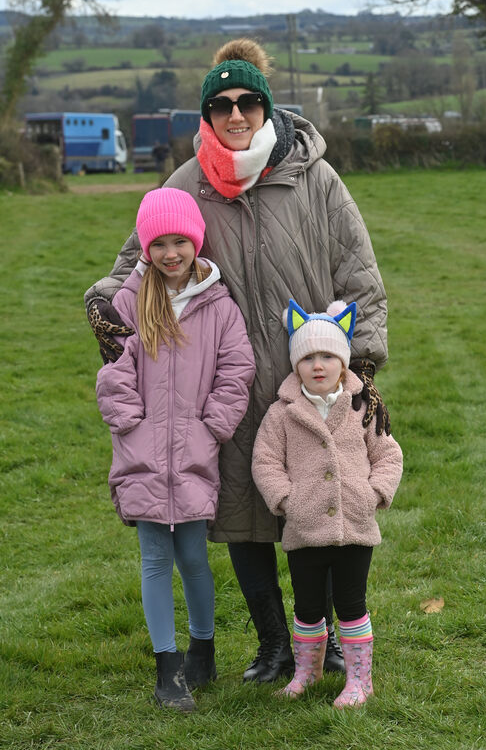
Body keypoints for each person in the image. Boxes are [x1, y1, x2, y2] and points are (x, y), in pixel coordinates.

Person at [85, 37, 391, 684]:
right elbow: (131, 265)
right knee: (244, 521)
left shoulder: (315, 177)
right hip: (221, 387)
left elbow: (359, 273)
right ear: (206, 114)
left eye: (248, 102)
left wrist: (361, 366)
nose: (235, 115)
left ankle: (327, 641)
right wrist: (107, 309)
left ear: (266, 107)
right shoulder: (187, 185)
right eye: (221, 104)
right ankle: (275, 644)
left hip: (309, 383)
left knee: (317, 512)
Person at [95, 188, 255, 712]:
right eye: (158, 243)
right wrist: (129, 422)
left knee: (192, 555)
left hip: (195, 451)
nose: (170, 253)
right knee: (154, 558)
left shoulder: (220, 306)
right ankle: (168, 669)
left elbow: (237, 371)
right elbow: (114, 371)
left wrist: (213, 426)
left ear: (195, 242)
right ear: (145, 248)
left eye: (179, 242)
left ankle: (202, 649)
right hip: (141, 453)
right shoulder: (130, 301)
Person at [252, 299, 403, 706]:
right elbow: (265, 460)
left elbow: (389, 455)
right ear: (295, 364)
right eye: (308, 358)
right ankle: (308, 672)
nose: (318, 365)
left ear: (344, 362)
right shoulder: (282, 414)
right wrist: (286, 500)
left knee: (352, 604)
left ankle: (359, 682)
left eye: (328, 356)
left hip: (355, 526)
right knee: (307, 606)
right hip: (304, 527)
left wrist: (373, 494)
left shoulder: (362, 407)